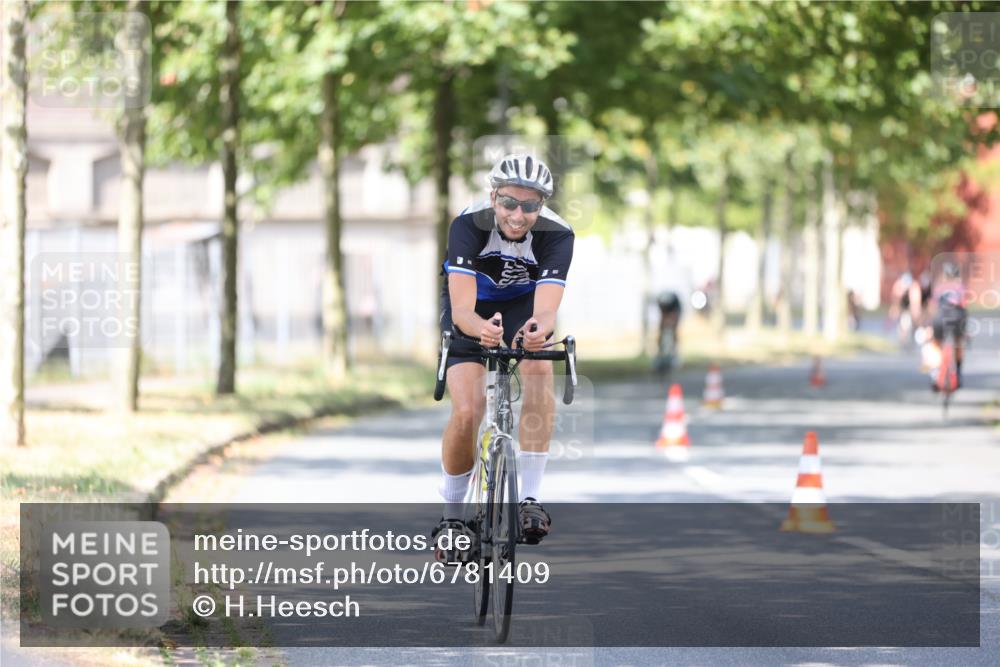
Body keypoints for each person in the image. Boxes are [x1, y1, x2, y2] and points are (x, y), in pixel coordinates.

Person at [433, 153, 574, 558]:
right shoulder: (467, 224)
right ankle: (452, 519)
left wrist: (537, 332)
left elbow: (546, 310)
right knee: (468, 408)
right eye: (509, 203)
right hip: (470, 305)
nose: (518, 214)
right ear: (493, 197)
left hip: (523, 306)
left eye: (530, 206)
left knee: (539, 368)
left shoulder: (558, 235)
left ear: (541, 206)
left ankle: (529, 499)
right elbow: (462, 310)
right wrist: (482, 330)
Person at [927, 260, 969, 389]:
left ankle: (935, 372)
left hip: (940, 319)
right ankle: (959, 372)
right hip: (957, 319)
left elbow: (932, 307)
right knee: (959, 343)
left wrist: (929, 325)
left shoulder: (939, 287)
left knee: (934, 343)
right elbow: (964, 305)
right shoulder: (961, 287)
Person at [654, 290, 681, 372]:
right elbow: (662, 316)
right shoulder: (660, 302)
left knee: (674, 329)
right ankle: (659, 351)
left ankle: (674, 351)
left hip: (676, 309)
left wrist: (673, 324)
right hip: (666, 308)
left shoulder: (675, 302)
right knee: (661, 328)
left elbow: (675, 316)